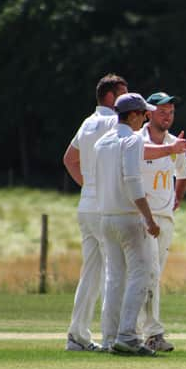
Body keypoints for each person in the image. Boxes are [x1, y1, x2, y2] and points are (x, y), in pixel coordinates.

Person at [62, 73, 127, 351]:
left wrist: (89, 187)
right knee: (115, 270)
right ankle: (113, 336)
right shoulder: (115, 122)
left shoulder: (88, 122)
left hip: (86, 206)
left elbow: (69, 159)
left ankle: (77, 335)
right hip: (103, 209)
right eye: (123, 95)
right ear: (111, 97)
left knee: (91, 272)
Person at [95, 93, 160, 356]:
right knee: (141, 274)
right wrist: (149, 218)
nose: (145, 118)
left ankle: (110, 337)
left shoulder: (102, 142)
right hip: (127, 217)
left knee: (115, 278)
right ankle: (128, 335)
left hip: (106, 217)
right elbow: (133, 181)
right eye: (143, 114)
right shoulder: (132, 140)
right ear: (132, 115)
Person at [136, 92, 186, 352]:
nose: (167, 116)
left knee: (153, 276)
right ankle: (149, 333)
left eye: (171, 111)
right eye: (162, 111)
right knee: (146, 273)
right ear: (148, 113)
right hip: (141, 217)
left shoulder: (174, 143)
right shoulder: (137, 140)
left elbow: (184, 173)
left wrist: (176, 199)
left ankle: (141, 333)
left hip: (165, 219)